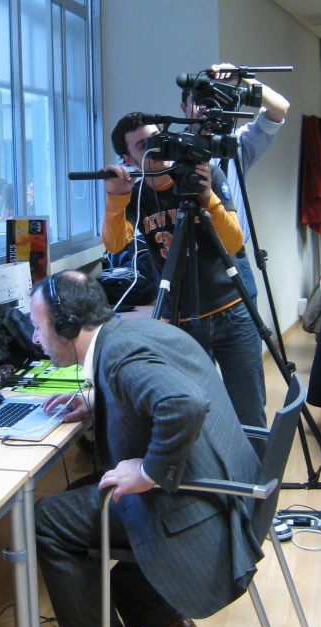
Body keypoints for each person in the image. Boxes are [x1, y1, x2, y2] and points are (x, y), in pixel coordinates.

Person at [32, 270, 263, 627]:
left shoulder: (119, 357)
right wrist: (95, 401)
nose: (35, 338)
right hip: (233, 496)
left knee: (46, 519)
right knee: (79, 495)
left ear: (67, 327)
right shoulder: (135, 335)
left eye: (38, 326)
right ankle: (164, 622)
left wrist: (150, 470)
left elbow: (183, 404)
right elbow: (157, 389)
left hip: (201, 516)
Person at [102, 112, 267, 432]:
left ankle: (258, 479)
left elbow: (233, 242)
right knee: (199, 416)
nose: (156, 148)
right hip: (183, 320)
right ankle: (214, 481)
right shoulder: (134, 195)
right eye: (143, 146)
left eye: (156, 138)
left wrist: (207, 198)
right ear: (127, 158)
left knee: (250, 413)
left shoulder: (204, 174)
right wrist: (115, 198)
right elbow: (115, 243)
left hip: (233, 312)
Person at [181, 63, 290, 305]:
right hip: (191, 257)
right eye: (198, 99)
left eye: (211, 99)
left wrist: (241, 78)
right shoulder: (173, 147)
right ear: (183, 107)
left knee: (245, 335)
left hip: (234, 253)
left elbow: (281, 109)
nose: (204, 107)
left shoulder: (237, 143)